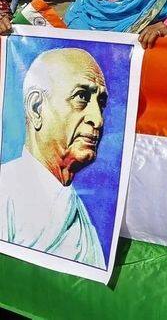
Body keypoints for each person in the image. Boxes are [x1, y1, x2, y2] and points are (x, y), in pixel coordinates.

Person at [0, 49, 107, 267]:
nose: (98, 119)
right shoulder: (5, 190)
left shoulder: (78, 214)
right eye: (81, 97)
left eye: (101, 103)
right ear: (36, 108)